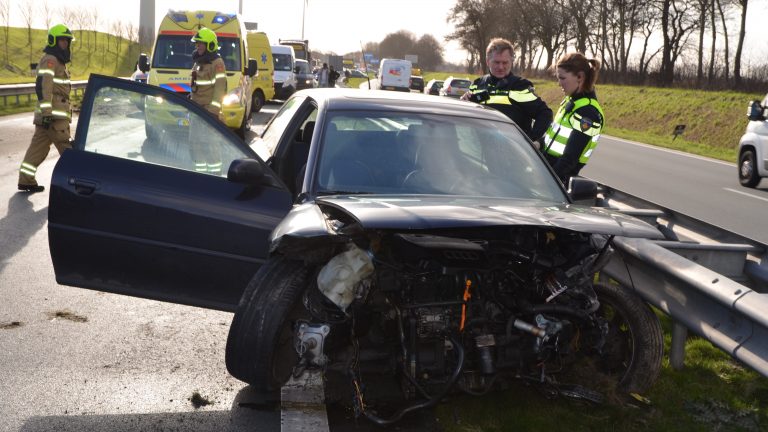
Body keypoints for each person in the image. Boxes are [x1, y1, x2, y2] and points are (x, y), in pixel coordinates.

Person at [18, 24, 75, 193]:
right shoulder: (50, 59)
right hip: (54, 117)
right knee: (67, 150)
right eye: (62, 40)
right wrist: (47, 113)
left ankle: (26, 180)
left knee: (38, 148)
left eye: (67, 41)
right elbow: (44, 86)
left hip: (50, 116)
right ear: (53, 41)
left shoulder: (58, 60)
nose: (65, 44)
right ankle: (77, 181)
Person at [462, 38, 552, 145]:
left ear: (512, 61)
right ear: (487, 61)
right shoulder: (477, 84)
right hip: (480, 149)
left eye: (505, 63)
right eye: (496, 62)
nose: (501, 67)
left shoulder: (520, 86)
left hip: (511, 154)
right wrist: (464, 103)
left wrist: (530, 141)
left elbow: (545, 114)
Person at [542, 52, 605, 184]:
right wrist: (536, 144)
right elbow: (552, 135)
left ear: (580, 77)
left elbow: (569, 160)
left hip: (557, 182)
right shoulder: (571, 101)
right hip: (546, 171)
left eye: (562, 78)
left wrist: (547, 182)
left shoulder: (588, 112)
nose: (559, 83)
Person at [189, 27, 227, 174]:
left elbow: (219, 88)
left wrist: (213, 111)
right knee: (195, 146)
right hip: (196, 111)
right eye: (196, 43)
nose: (197, 46)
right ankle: (199, 176)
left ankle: (214, 176)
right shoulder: (198, 62)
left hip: (208, 112)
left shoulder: (217, 63)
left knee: (211, 146)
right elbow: (196, 85)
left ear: (210, 45)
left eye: (200, 43)